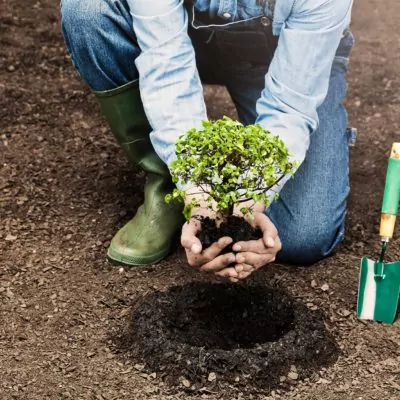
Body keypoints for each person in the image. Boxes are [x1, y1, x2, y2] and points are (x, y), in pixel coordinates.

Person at [61, 0, 355, 282]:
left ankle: (246, 168)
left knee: (303, 236)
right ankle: (167, 185)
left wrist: (251, 197)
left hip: (283, 55)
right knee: (86, 9)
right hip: (184, 37)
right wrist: (196, 188)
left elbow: (289, 106)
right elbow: (167, 66)